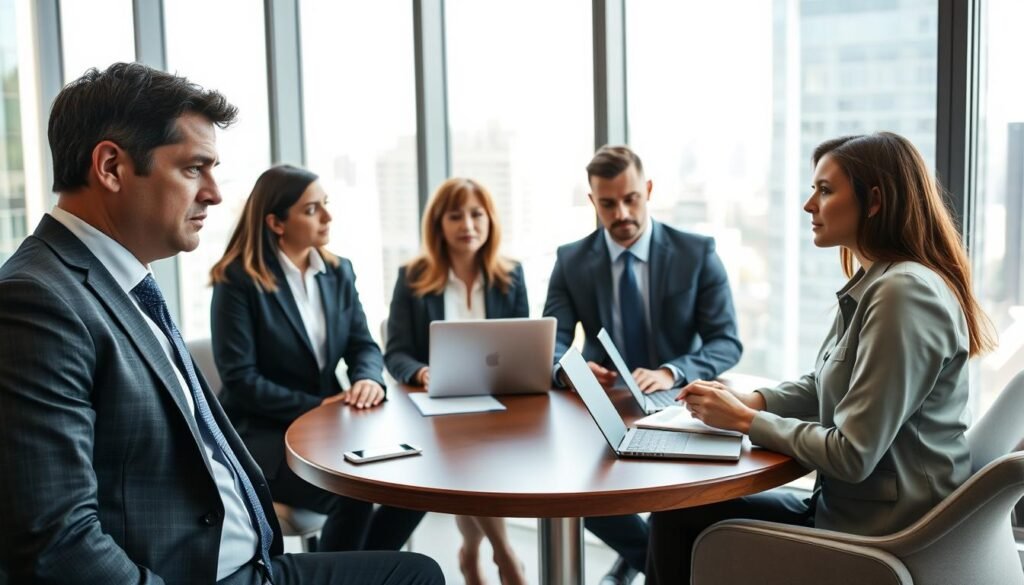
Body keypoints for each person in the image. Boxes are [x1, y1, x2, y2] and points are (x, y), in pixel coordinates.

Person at [0, 62, 442, 585]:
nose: (213, 193)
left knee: (413, 570)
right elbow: (59, 544)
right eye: (193, 169)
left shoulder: (121, 280)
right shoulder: (37, 301)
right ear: (112, 167)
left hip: (241, 558)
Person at [646, 132, 996, 583]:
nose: (809, 205)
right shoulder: (876, 282)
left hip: (886, 535)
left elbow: (852, 454)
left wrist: (745, 422)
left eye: (825, 190)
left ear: (874, 201)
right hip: (856, 509)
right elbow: (823, 382)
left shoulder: (903, 294)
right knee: (678, 513)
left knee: (677, 521)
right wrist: (753, 401)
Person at [543, 145, 743, 585]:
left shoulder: (696, 252)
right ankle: (650, 558)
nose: (622, 213)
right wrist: (567, 370)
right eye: (608, 203)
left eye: (631, 198)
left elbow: (726, 342)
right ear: (593, 201)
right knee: (570, 489)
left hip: (678, 402)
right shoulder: (571, 260)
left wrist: (672, 371)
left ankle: (644, 561)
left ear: (648, 190)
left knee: (676, 500)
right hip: (601, 407)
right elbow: (553, 340)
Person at [209, 164, 426, 553]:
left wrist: (367, 380)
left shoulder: (339, 271)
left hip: (333, 427)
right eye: (312, 209)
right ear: (276, 222)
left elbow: (363, 345)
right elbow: (242, 380)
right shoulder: (237, 280)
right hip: (264, 436)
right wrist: (318, 407)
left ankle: (360, 577)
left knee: (415, 484)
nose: (327, 216)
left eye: (325, 205)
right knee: (352, 494)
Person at [385, 178, 529, 585]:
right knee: (468, 459)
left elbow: (526, 342)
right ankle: (505, 555)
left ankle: (470, 552)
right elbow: (395, 352)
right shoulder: (413, 277)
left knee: (474, 461)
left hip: (502, 404)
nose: (467, 224)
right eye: (455, 215)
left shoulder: (511, 276)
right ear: (439, 224)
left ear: (490, 221)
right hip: (438, 409)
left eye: (476, 214)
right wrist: (421, 371)